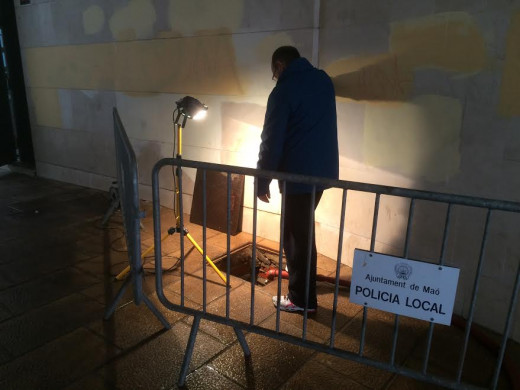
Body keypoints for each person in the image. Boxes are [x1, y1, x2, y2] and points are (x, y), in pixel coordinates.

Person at [257, 46, 339, 313]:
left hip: (298, 176)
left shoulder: (283, 91)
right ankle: (302, 288)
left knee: (296, 238)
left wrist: (262, 180)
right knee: (302, 233)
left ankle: (301, 300)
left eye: (274, 73)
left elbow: (270, 141)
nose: (275, 78)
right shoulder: (323, 80)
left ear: (280, 66)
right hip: (322, 173)